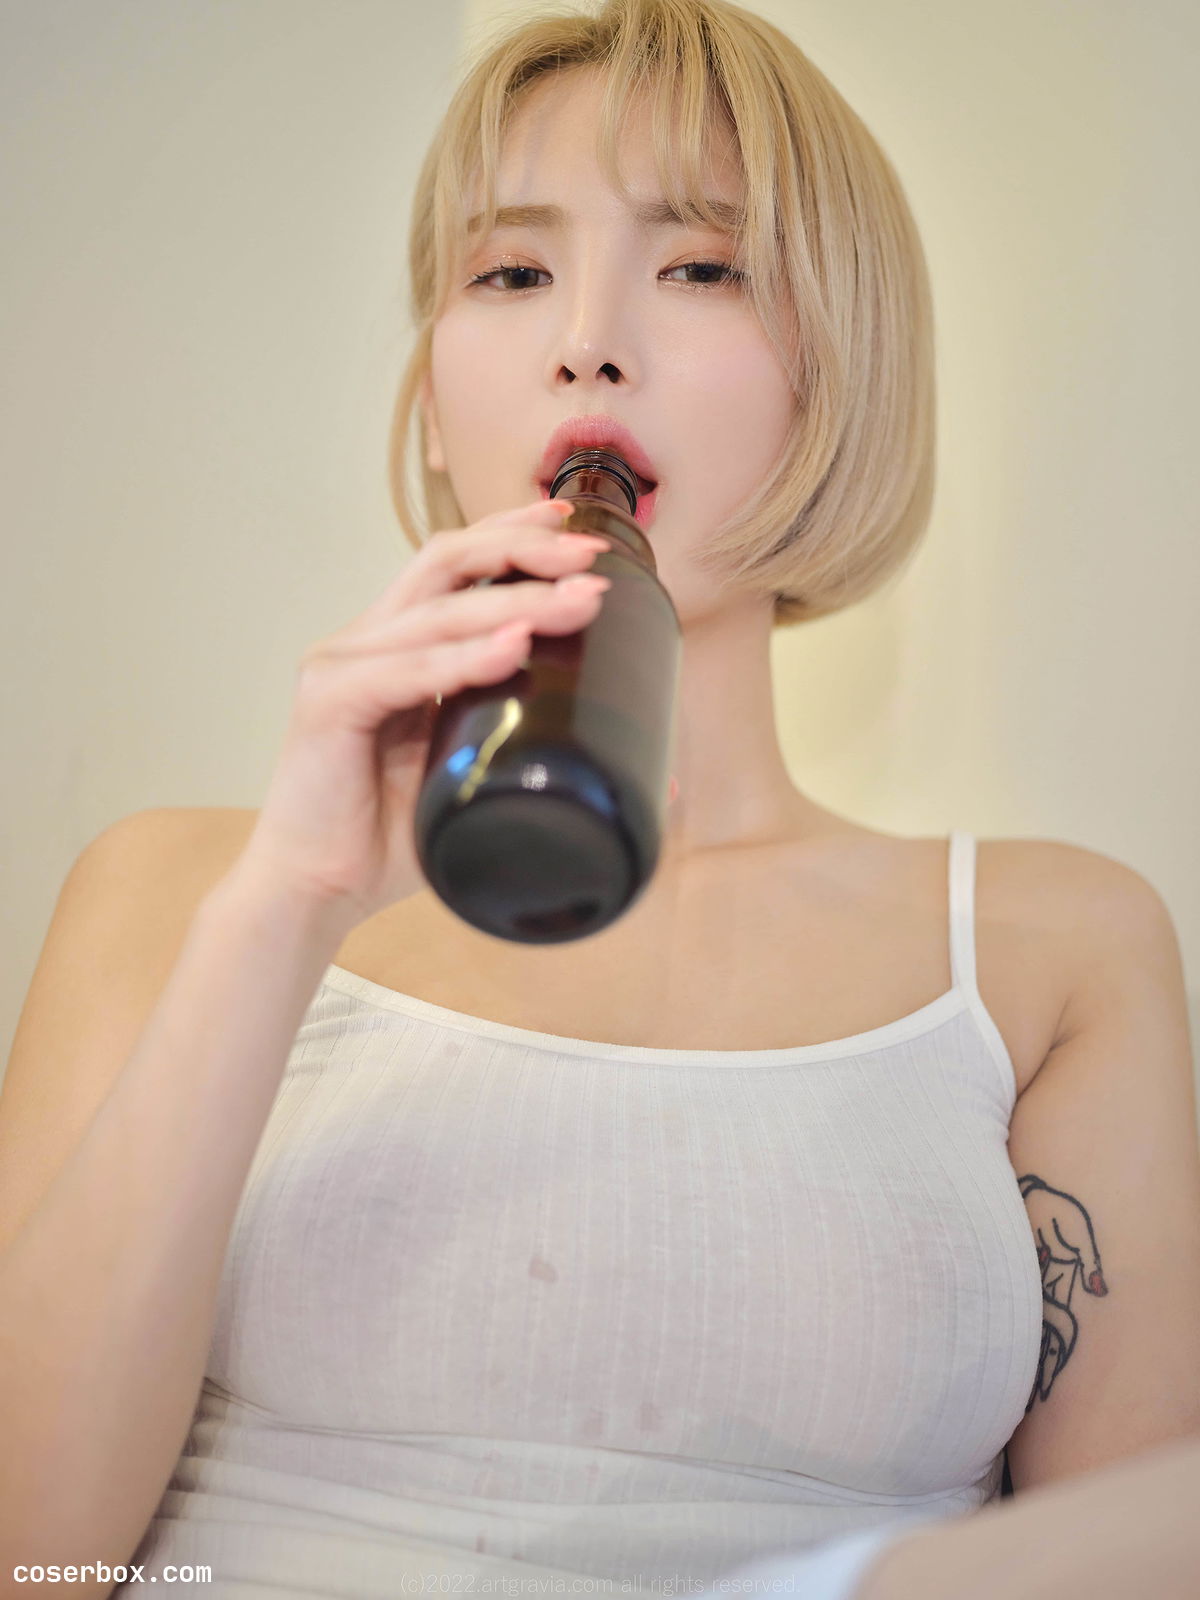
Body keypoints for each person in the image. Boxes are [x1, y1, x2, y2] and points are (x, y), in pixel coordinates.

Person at [1, 2, 1197, 1597]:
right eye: (510, 272)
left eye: (700, 265)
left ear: (847, 369)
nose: (587, 341)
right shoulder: (176, 894)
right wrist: (287, 909)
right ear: (436, 400)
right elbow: (30, 1561)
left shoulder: (1051, 951)